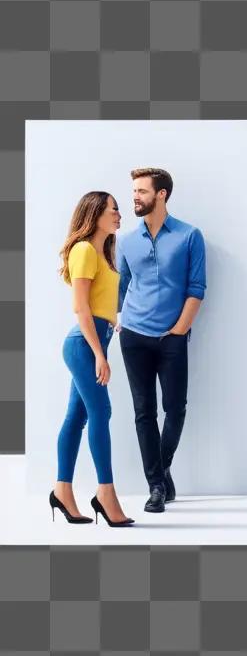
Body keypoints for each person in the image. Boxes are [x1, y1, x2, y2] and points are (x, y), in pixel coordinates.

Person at [117, 168, 206, 514]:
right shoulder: (126, 240)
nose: (135, 197)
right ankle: (156, 485)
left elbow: (196, 288)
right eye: (134, 191)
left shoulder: (189, 236)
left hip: (173, 337)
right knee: (143, 413)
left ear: (162, 194)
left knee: (175, 408)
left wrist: (179, 330)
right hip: (135, 336)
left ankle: (162, 467)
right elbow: (122, 286)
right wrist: (116, 323)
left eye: (141, 191)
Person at [52, 192, 134, 527]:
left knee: (77, 416)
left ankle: (62, 491)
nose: (119, 215)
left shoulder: (103, 252)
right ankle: (105, 492)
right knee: (102, 410)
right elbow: (80, 307)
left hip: (97, 338)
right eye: (114, 209)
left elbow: (99, 304)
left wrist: (112, 321)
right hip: (83, 345)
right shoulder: (84, 249)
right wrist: (100, 354)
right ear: (96, 213)